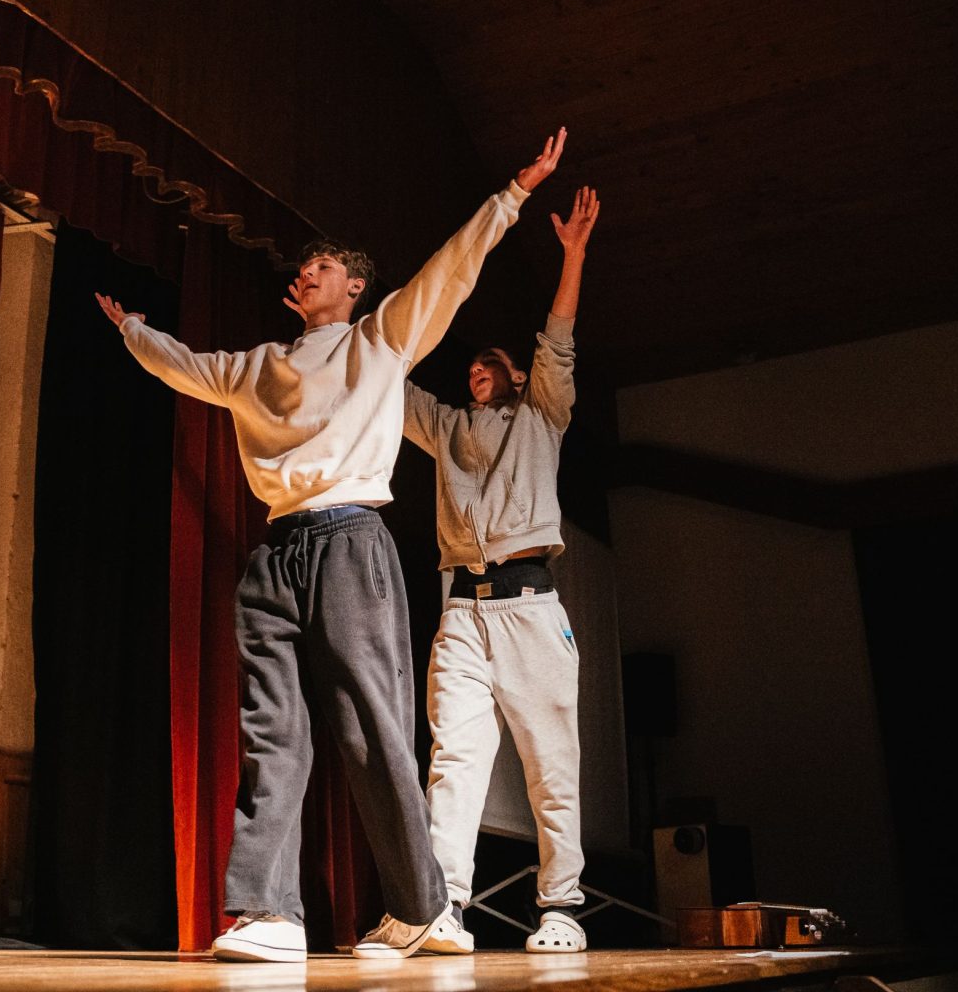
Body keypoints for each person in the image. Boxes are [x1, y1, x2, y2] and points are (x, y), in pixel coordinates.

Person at [94, 129, 569, 963]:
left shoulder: (379, 339)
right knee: (271, 730)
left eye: (324, 266)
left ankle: (420, 907)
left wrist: (513, 196)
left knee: (371, 727)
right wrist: (134, 329)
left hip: (351, 541)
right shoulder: (258, 366)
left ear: (353, 287)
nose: (306, 272)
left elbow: (452, 270)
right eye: (303, 267)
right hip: (276, 554)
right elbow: (185, 366)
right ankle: (270, 913)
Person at [402, 184, 600, 955]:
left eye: (492, 364)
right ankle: (443, 906)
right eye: (472, 368)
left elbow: (559, 339)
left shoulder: (542, 414)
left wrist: (572, 255)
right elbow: (389, 381)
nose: (477, 371)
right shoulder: (448, 426)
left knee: (551, 764)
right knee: (454, 761)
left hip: (529, 607)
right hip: (462, 612)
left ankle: (562, 909)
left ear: (517, 376)